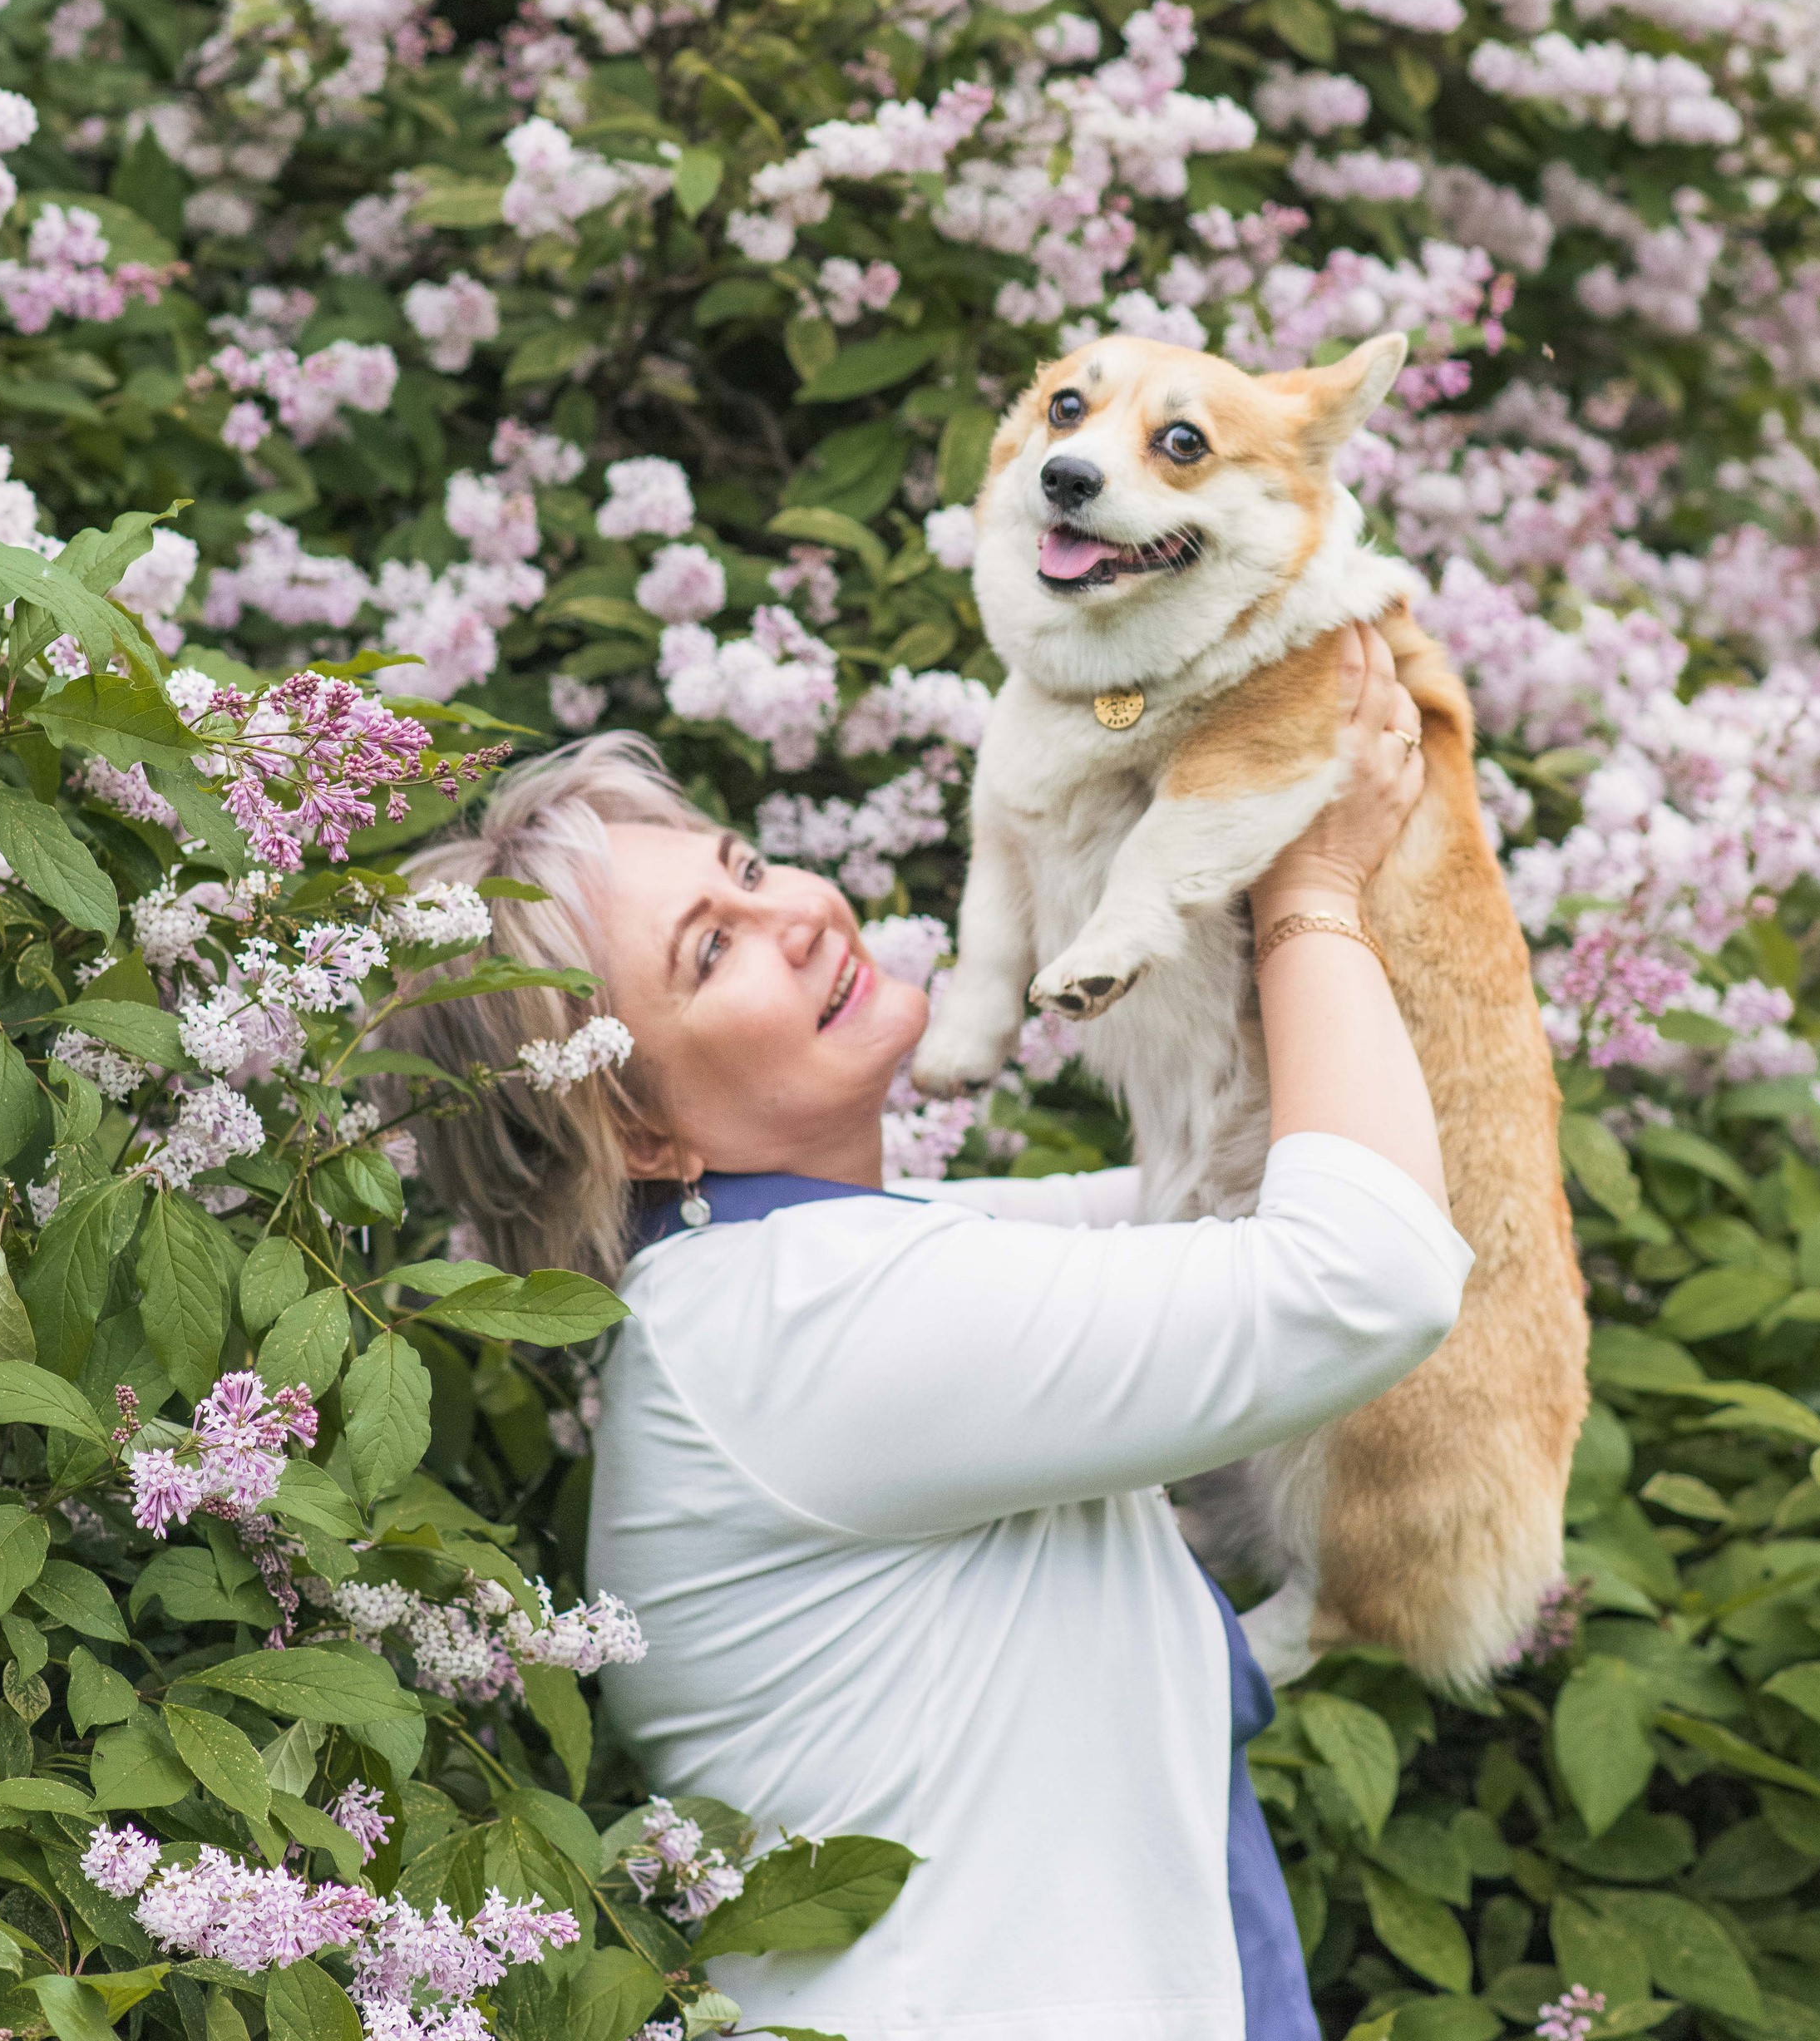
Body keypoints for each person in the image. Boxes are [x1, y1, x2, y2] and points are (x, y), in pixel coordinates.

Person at [392, 623, 1469, 2041]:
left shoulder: (822, 1272)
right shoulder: (794, 1328)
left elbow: (1272, 1182)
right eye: (713, 951)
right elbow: (1362, 1274)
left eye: (749, 867)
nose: (797, 915)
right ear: (635, 1128)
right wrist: (1308, 879)